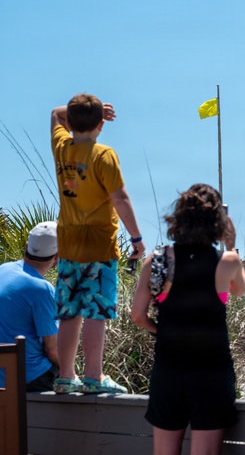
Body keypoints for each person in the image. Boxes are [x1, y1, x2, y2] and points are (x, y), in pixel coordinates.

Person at [131, 184, 245, 455]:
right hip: (211, 373)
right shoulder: (226, 261)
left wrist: (162, 332)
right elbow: (241, 290)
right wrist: (231, 244)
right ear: (218, 222)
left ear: (178, 219)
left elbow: (137, 316)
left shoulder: (158, 260)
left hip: (169, 370)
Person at [50, 94, 144, 394]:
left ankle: (66, 375)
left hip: (67, 243)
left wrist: (84, 111)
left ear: (71, 122)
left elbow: (56, 113)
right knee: (95, 311)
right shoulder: (104, 155)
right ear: (102, 124)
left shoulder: (62, 147)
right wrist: (137, 238)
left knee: (69, 312)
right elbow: (120, 198)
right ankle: (94, 375)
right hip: (99, 245)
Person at [0, 221, 60, 391]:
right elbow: (53, 350)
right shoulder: (42, 289)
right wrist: (74, 374)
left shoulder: (3, 269)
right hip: (27, 376)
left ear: (27, 246)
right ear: (57, 257)